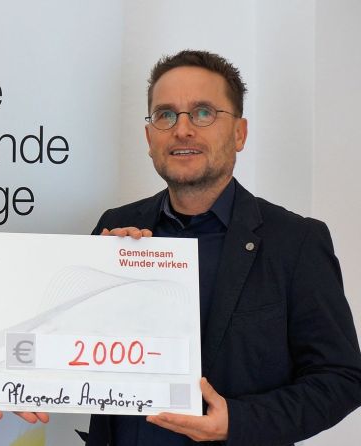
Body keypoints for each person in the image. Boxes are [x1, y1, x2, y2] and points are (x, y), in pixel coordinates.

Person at [86, 50, 361, 445]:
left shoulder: (296, 242)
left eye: (203, 113)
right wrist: (29, 388)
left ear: (239, 133)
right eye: (165, 115)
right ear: (149, 138)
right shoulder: (115, 230)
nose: (182, 130)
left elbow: (341, 378)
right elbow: (74, 353)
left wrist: (238, 420)